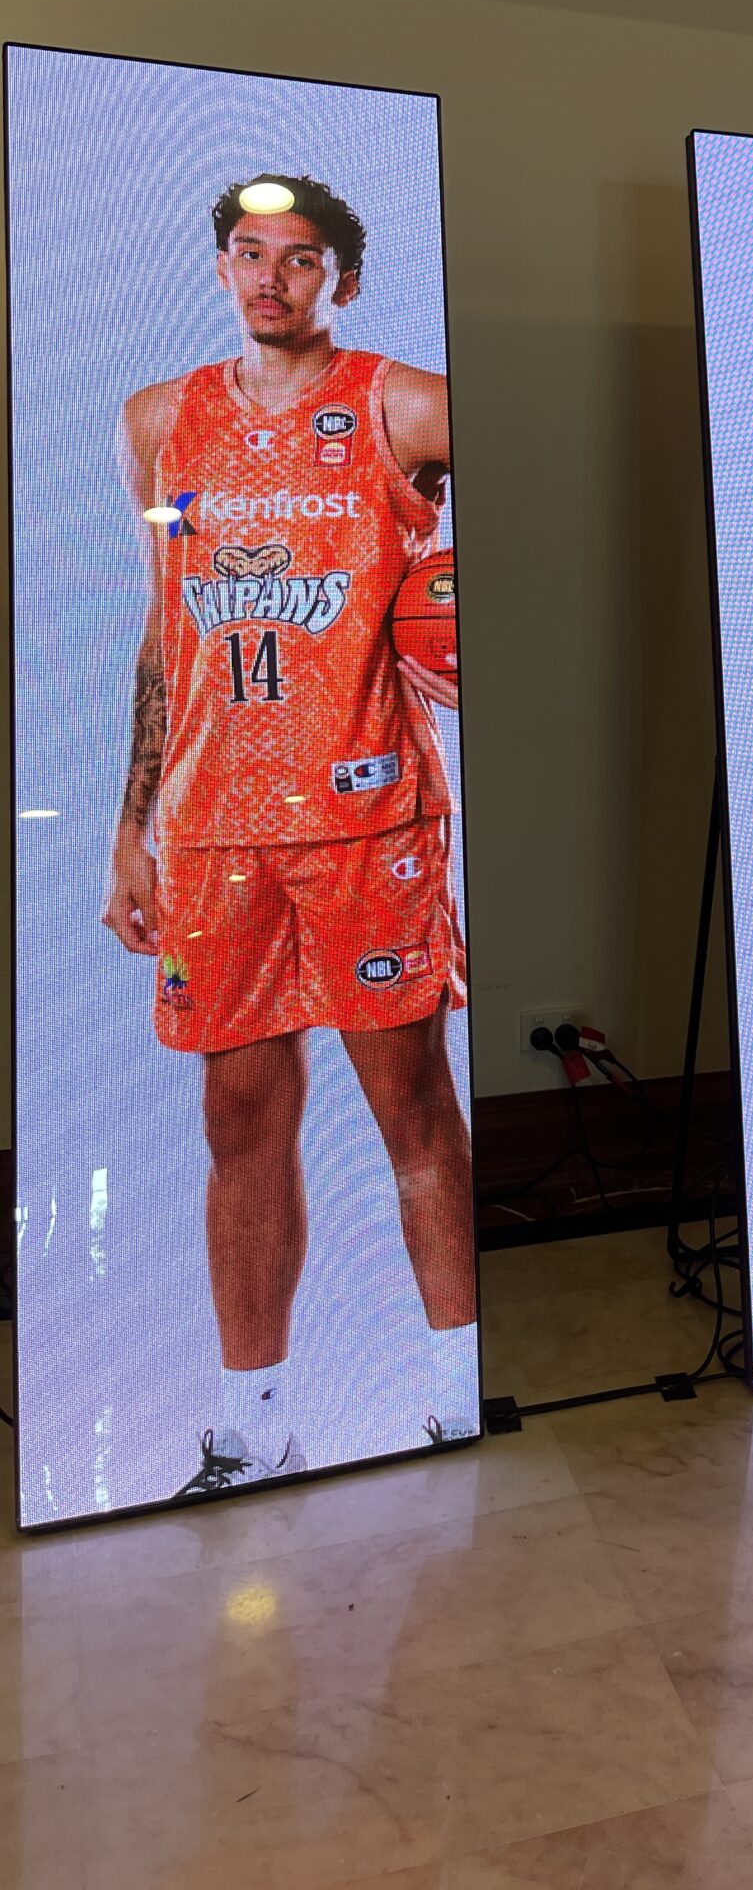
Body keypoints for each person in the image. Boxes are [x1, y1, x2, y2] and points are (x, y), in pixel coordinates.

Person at [102, 172, 477, 1495]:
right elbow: (166, 634)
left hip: (365, 824)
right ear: (220, 268)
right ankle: (254, 1426)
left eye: (302, 258)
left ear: (343, 281)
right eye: (251, 255)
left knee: (412, 1111)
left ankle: (452, 1398)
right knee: (236, 1124)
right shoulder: (162, 422)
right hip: (214, 835)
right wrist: (131, 827)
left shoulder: (403, 403)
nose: (273, 278)